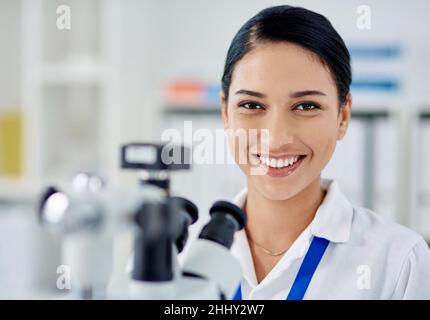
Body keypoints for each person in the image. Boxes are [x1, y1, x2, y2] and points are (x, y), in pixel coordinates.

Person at [218, 5, 430, 299]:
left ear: (343, 117)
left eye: (306, 106)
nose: (277, 139)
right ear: (225, 113)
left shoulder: (398, 262)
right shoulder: (176, 254)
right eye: (252, 105)